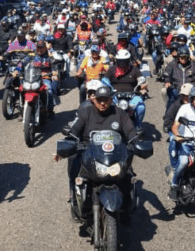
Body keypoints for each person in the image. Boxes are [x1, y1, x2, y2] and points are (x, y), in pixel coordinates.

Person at [56, 85, 137, 213]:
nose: (103, 103)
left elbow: (130, 132)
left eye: (106, 99)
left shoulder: (120, 114)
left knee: (128, 175)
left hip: (114, 154)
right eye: (100, 100)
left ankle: (128, 205)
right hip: (89, 153)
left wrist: (136, 142)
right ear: (94, 100)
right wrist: (65, 146)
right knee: (74, 167)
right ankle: (75, 198)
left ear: (111, 100)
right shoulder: (85, 113)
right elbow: (74, 131)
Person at [105, 50, 147, 129]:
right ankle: (106, 125)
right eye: (120, 61)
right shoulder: (112, 69)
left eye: (125, 61)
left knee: (141, 107)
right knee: (105, 106)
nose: (122, 63)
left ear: (129, 60)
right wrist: (106, 87)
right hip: (114, 96)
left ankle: (137, 125)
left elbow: (142, 80)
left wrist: (142, 87)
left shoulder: (134, 69)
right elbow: (105, 80)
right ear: (116, 61)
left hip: (132, 95)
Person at [162, 46, 195, 112]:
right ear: (178, 57)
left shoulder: (192, 65)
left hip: (190, 89)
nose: (184, 59)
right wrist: (167, 81)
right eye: (182, 57)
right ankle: (168, 115)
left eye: (185, 57)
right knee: (172, 100)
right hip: (176, 88)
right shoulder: (172, 64)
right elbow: (167, 74)